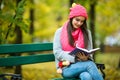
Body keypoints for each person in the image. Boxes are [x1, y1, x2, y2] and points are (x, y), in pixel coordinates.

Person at [53, 3, 103, 80]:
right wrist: (75, 58)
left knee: (87, 76)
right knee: (90, 65)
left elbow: (89, 52)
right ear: (71, 18)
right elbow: (57, 52)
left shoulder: (87, 33)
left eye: (82, 21)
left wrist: (86, 58)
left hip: (83, 64)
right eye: (77, 20)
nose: (79, 23)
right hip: (66, 68)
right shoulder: (59, 32)